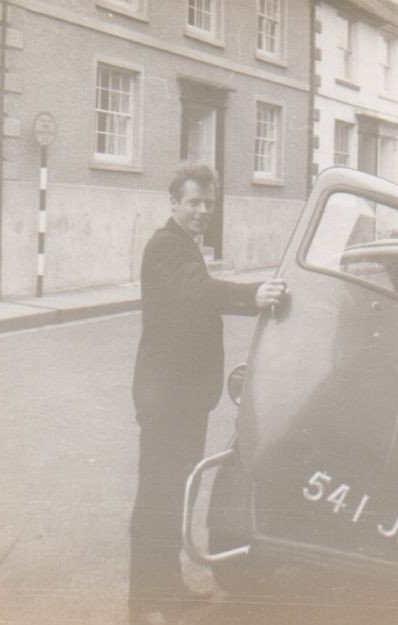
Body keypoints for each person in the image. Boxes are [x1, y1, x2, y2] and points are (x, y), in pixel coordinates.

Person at [128, 163, 287, 625]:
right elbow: (197, 292)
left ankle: (167, 589)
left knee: (176, 494)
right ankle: (141, 601)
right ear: (174, 202)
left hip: (183, 397)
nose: (202, 211)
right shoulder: (165, 246)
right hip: (166, 399)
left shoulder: (184, 245)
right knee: (158, 495)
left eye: (209, 203)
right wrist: (253, 294)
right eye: (194, 202)